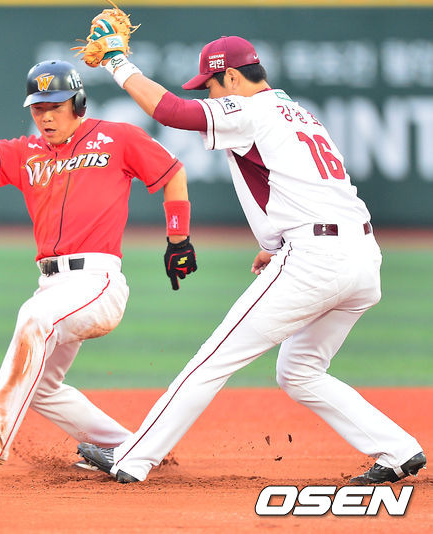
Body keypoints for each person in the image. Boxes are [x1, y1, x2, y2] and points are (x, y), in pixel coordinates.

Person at [75, 34, 426, 485]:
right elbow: (311, 188)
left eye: (211, 86)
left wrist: (116, 62)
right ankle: (398, 449)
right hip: (360, 254)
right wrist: (278, 243)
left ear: (232, 78)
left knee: (213, 359)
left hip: (315, 259)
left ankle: (133, 458)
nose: (209, 96)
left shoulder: (250, 109)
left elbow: (170, 112)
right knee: (299, 371)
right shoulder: (300, 113)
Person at [0, 59, 197, 466]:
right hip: (52, 285)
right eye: (38, 108)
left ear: (78, 103)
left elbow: (173, 173)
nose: (46, 117)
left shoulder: (117, 137)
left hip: (97, 282)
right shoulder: (27, 151)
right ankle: (135, 449)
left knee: (34, 317)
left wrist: (179, 240)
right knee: (42, 388)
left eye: (55, 107)